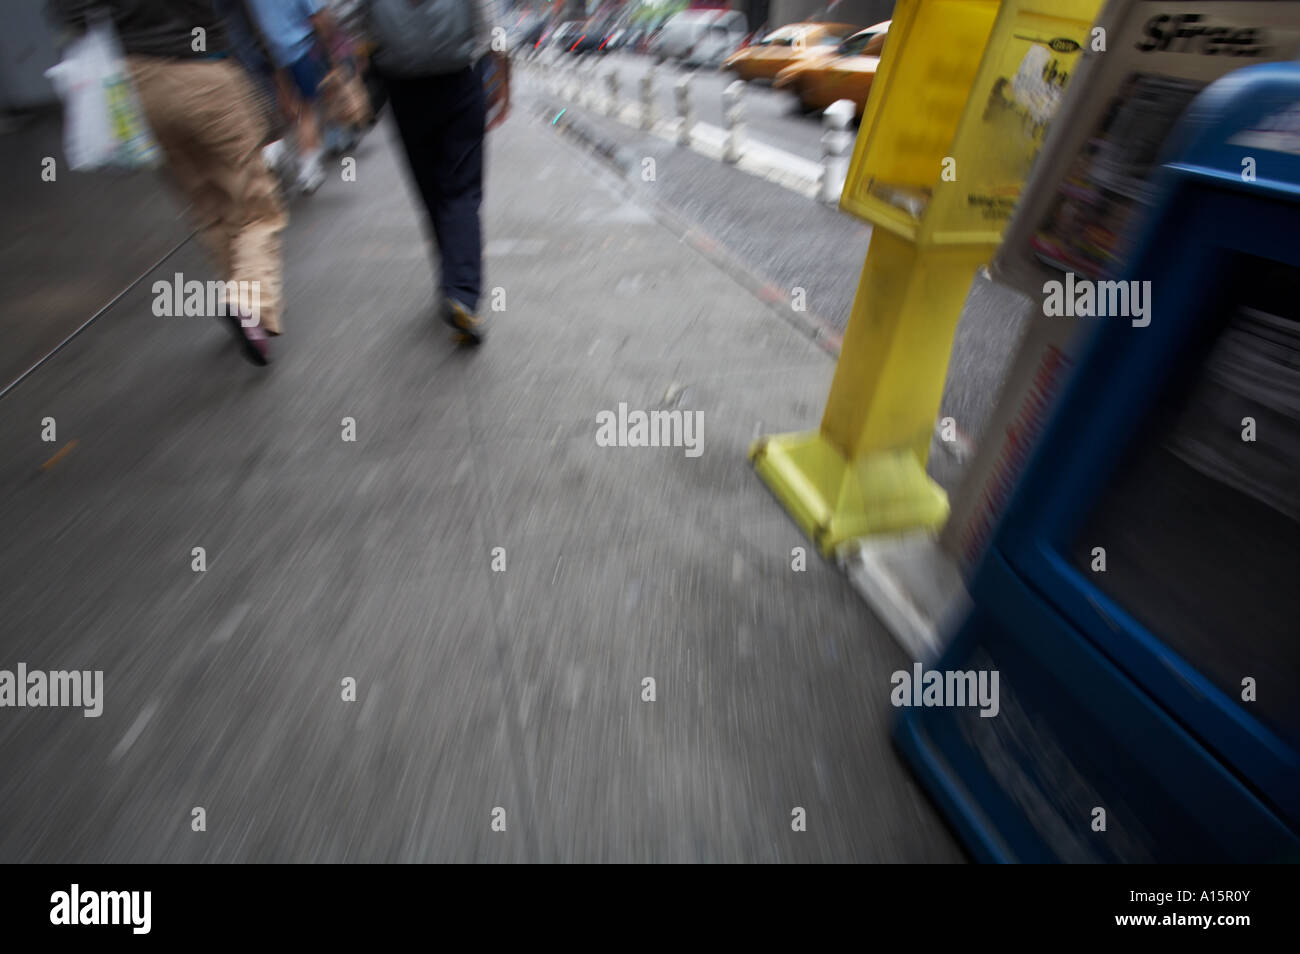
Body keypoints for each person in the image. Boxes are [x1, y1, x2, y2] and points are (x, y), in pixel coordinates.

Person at [50, 0, 286, 365]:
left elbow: (70, 13)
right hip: (204, 71)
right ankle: (248, 303)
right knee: (256, 207)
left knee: (206, 205)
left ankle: (240, 303)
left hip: (136, 85)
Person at [364, 0, 510, 345]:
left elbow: (349, 20)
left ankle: (450, 279)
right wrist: (503, 74)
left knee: (428, 186)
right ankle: (461, 291)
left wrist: (354, 65)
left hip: (401, 84)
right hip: (458, 79)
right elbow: (489, 19)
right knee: (461, 189)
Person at [243, 0, 343, 195]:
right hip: (301, 50)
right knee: (307, 110)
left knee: (287, 109)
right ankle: (309, 170)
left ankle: (275, 150)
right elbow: (318, 17)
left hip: (271, 56)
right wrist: (330, 51)